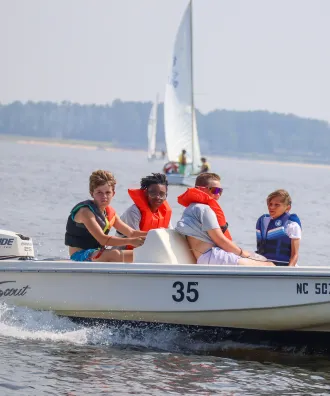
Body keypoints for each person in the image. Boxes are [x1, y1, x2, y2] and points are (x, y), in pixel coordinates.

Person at [175, 172, 274, 266]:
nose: (218, 194)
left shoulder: (191, 208)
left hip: (208, 256)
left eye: (220, 191)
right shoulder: (204, 210)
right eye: (215, 190)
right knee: (269, 265)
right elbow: (220, 240)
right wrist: (242, 253)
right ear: (200, 189)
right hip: (212, 257)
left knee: (261, 259)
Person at [65, 170, 147, 262]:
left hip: (97, 253)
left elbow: (132, 233)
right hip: (79, 256)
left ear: (113, 194)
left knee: (139, 253)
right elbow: (103, 240)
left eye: (108, 192)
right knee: (115, 254)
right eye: (99, 192)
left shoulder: (110, 213)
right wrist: (130, 241)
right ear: (92, 193)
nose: (104, 196)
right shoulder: (85, 212)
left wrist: (156, 233)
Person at [116, 173, 172, 247]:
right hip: (125, 251)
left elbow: (170, 234)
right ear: (146, 193)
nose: (158, 197)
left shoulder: (164, 213)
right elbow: (136, 239)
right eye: (153, 193)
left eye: (162, 194)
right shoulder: (133, 212)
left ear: (166, 196)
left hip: (149, 250)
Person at [256, 189, 301, 266]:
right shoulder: (263, 221)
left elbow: (294, 255)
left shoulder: (292, 225)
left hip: (282, 265)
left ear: (287, 208)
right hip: (262, 263)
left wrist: (288, 273)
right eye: (270, 204)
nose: (271, 207)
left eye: (277, 205)